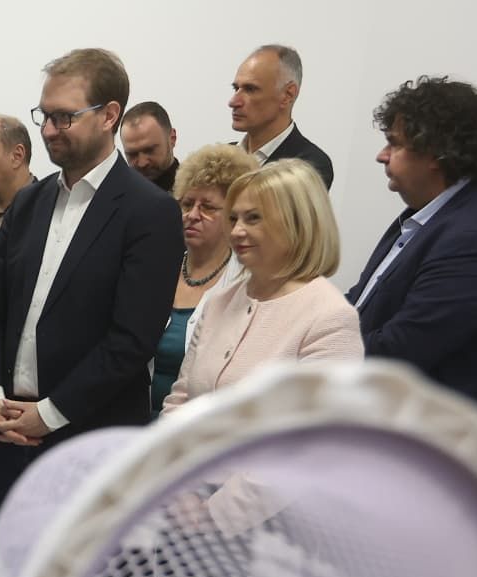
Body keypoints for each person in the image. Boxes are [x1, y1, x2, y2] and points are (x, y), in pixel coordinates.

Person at [0, 48, 184, 524]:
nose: (49, 130)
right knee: (2, 564)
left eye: (64, 117)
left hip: (88, 443)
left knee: (74, 571)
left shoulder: (149, 212)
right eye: (45, 115)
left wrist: (48, 414)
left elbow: (131, 340)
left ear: (109, 115)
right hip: (4, 431)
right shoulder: (28, 203)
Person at [347, 76, 477, 431]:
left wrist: (307, 355)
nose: (381, 155)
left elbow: (399, 351)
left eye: (394, 144)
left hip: (435, 450)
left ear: (435, 152)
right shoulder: (428, 216)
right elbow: (360, 304)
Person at [163, 159, 361, 415]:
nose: (236, 231)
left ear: (297, 222)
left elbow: (324, 430)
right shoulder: (219, 302)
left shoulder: (330, 318)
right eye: (233, 219)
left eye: (253, 218)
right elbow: (180, 400)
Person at [151, 143, 258, 414]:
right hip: (133, 417)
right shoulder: (159, 264)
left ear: (234, 215)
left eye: (208, 207)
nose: (193, 215)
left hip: (197, 424)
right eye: (187, 204)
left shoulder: (247, 282)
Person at [229, 45, 333, 188]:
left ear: (287, 95)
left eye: (250, 89)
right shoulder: (218, 160)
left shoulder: (309, 165)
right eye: (236, 88)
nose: (233, 102)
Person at [120, 101, 179, 192]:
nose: (142, 163)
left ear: (172, 138)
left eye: (149, 150)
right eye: (132, 154)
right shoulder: (114, 196)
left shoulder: (196, 194)